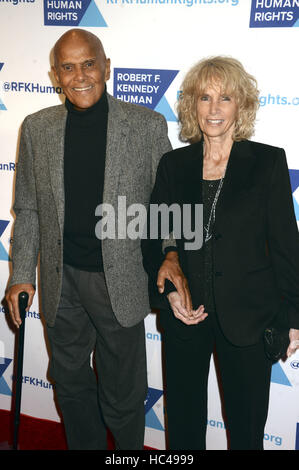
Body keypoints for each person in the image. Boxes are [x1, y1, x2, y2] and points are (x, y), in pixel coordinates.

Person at [5, 29, 186, 450]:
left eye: (89, 64)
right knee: (69, 384)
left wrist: (172, 252)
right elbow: (28, 208)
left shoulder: (145, 125)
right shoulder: (37, 128)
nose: (80, 75)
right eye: (68, 67)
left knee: (123, 392)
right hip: (60, 278)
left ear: (107, 66)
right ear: (56, 75)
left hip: (118, 280)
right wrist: (19, 273)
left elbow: (169, 202)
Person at [142, 56, 299, 450]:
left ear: (240, 105)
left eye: (225, 98)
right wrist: (170, 293)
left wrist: (294, 316)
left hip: (248, 318)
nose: (214, 109)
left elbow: (286, 245)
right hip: (186, 314)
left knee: (246, 431)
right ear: (192, 105)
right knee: (183, 424)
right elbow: (156, 236)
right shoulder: (174, 165)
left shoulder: (267, 162)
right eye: (204, 97)